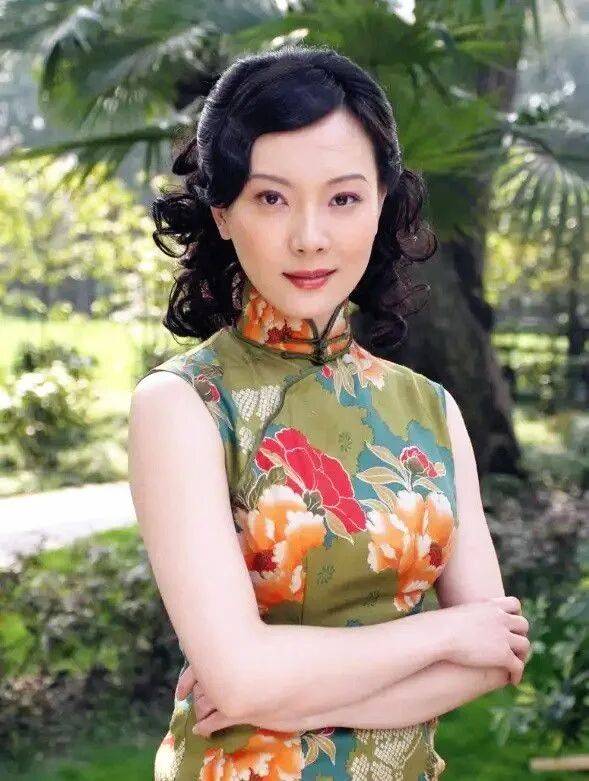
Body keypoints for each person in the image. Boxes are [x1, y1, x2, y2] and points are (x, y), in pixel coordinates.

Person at [128, 45, 530, 781]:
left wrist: (285, 700)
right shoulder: (183, 404)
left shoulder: (430, 409)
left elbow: (495, 656)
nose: (309, 236)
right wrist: (447, 634)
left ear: (382, 203)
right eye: (270, 198)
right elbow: (242, 678)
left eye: (343, 198)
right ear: (222, 213)